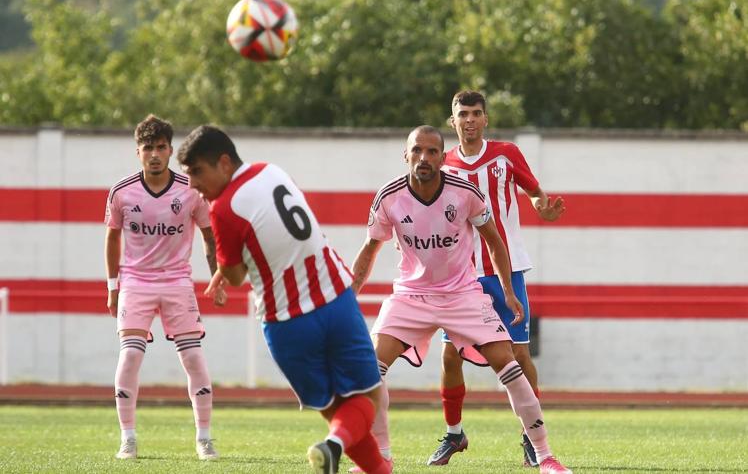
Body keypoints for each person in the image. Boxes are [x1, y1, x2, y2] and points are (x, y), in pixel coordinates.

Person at [350, 125, 572, 474]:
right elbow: (369, 249)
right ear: (405, 155)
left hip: (462, 293)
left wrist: (509, 292)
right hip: (412, 295)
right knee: (369, 371)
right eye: (417, 150)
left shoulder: (463, 192)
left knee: (510, 364)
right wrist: (350, 297)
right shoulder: (388, 196)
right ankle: (380, 458)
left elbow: (495, 242)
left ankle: (545, 456)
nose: (424, 158)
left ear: (442, 156)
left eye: (432, 152)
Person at [176, 125, 391, 474]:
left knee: (336, 409)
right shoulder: (271, 170)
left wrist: (222, 266)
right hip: (335, 298)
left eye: (197, 172)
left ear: (224, 162)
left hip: (288, 321)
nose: (193, 185)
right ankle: (342, 450)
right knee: (367, 398)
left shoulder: (222, 209)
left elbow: (234, 275)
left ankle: (343, 449)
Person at [430, 90, 566, 467]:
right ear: (452, 121)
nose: (469, 120)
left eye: (476, 113)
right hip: (459, 276)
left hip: (507, 271)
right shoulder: (442, 163)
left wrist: (545, 209)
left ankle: (530, 436)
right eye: (463, 114)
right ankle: (454, 433)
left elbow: (536, 194)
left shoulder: (506, 153)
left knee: (519, 355)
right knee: (449, 355)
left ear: (485, 119)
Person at [105, 114, 227, 461]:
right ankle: (127, 438)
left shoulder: (190, 189)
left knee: (192, 357)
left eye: (161, 147)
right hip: (136, 283)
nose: (155, 154)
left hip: (177, 283)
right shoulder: (121, 192)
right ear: (138, 152)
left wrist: (216, 276)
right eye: (148, 148)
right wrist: (113, 286)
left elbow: (208, 234)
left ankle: (204, 438)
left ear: (171, 150)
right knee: (130, 355)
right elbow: (112, 237)